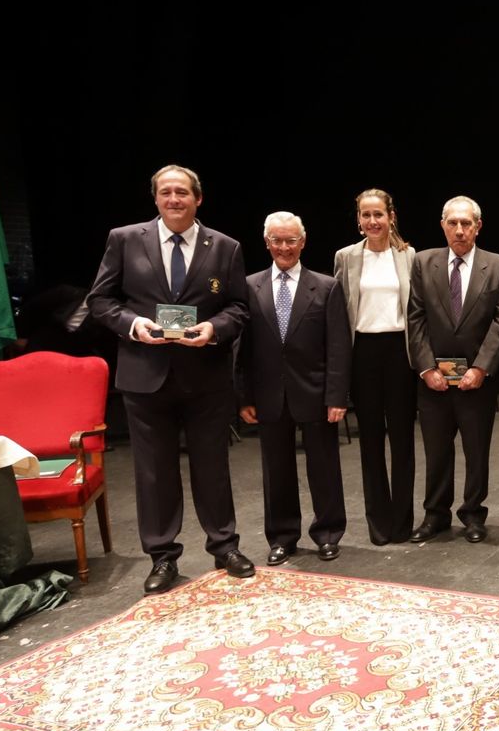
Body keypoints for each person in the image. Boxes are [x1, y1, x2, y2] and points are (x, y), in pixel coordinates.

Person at [85, 165, 253, 593]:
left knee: (213, 468)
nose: (174, 199)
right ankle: (162, 557)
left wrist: (215, 329)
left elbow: (238, 308)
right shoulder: (124, 239)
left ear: (199, 199)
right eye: (166, 192)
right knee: (154, 473)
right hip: (146, 376)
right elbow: (100, 300)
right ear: (155, 198)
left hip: (205, 378)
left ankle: (224, 546)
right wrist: (132, 324)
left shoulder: (226, 247)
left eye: (182, 192)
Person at [237, 212, 350, 565]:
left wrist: (337, 396)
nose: (284, 247)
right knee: (276, 471)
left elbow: (338, 347)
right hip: (268, 395)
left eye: (290, 240)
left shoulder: (327, 286)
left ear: (302, 242)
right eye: (277, 240)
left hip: (316, 394)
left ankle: (328, 533)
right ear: (267, 242)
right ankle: (282, 537)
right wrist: (243, 397)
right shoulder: (249, 286)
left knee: (325, 468)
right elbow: (242, 350)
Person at [407, 196, 499, 543]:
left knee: (476, 451)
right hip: (433, 380)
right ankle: (435, 515)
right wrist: (425, 368)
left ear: (478, 226)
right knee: (436, 452)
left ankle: (473, 515)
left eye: (466, 223)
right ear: (443, 226)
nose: (459, 230)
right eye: (452, 223)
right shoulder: (423, 263)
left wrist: (482, 367)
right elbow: (416, 318)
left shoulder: (498, 265)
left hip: (476, 381)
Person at [333, 189, 418, 545]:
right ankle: (378, 525)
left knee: (402, 439)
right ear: (358, 219)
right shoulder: (346, 257)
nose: (372, 222)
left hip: (400, 352)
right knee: (370, 440)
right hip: (363, 352)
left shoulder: (409, 255)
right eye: (366, 215)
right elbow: (338, 313)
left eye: (378, 215)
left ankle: (402, 521)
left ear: (391, 216)